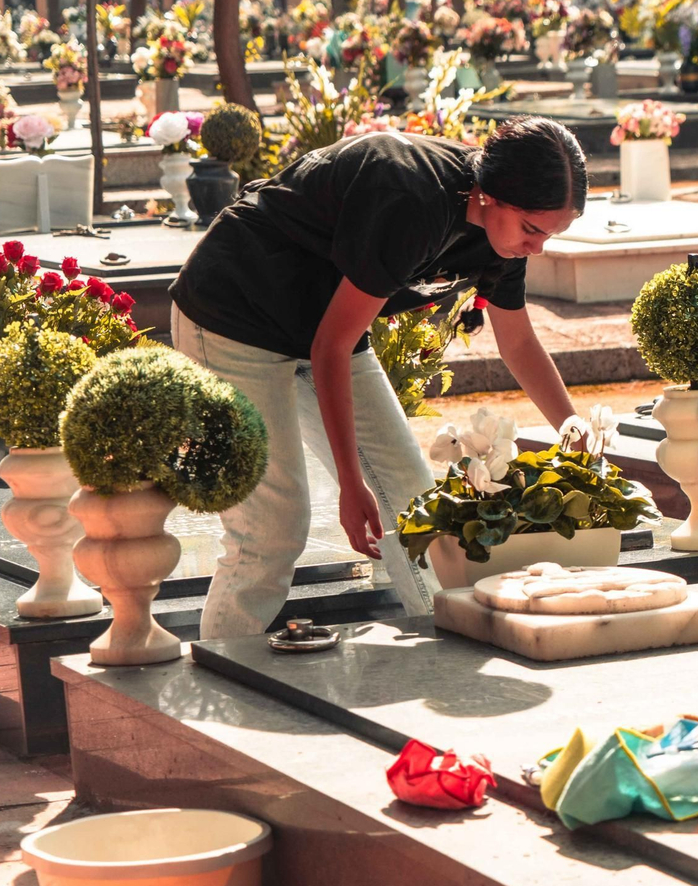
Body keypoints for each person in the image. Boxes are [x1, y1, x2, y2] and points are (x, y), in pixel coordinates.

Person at [169, 119, 586, 639]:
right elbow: (331, 348)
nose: (538, 247)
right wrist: (350, 481)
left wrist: (575, 432)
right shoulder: (410, 198)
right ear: (491, 194)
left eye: (551, 234)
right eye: (533, 230)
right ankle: (225, 674)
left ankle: (444, 651)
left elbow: (518, 342)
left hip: (325, 325)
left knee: (413, 505)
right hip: (235, 317)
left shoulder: (502, 238)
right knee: (273, 527)